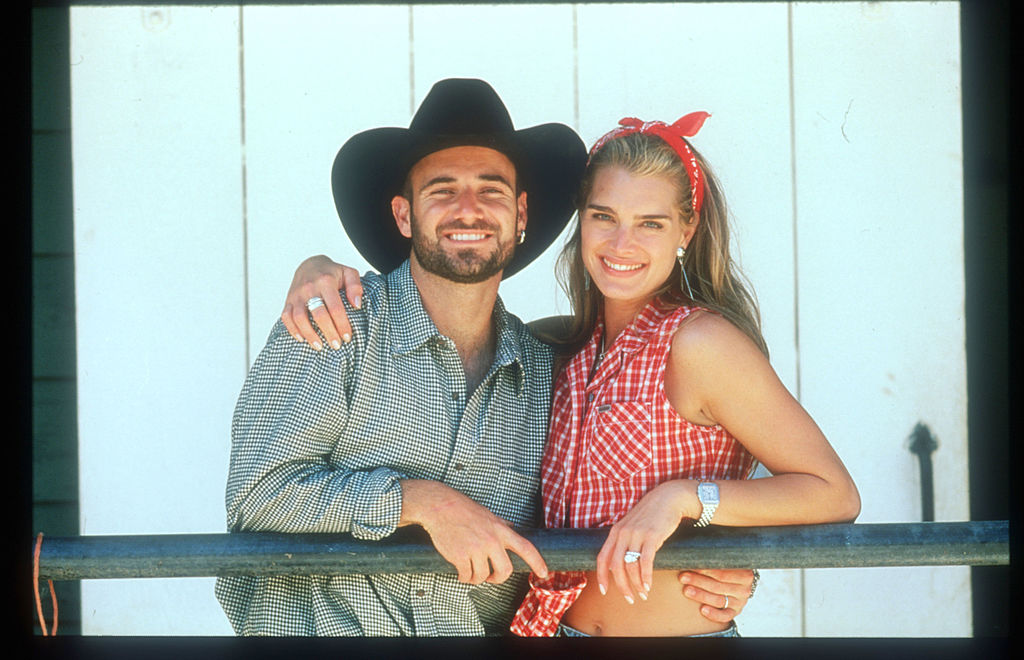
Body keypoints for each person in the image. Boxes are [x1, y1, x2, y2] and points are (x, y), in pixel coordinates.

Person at [281, 110, 859, 637]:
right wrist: (316, 267)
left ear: (686, 232)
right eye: (603, 216)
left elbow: (832, 492)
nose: (621, 243)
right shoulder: (559, 348)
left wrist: (685, 502)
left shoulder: (700, 343)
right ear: (579, 224)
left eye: (651, 224)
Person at [216, 78, 752, 636]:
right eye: (442, 189)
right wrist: (420, 502)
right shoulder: (333, 323)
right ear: (404, 215)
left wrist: (732, 554)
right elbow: (255, 498)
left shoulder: (547, 366)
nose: (468, 209)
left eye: (491, 190)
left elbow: (682, 443)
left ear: (521, 216)